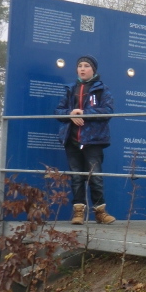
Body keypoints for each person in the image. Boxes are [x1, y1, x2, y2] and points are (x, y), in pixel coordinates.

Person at [55, 55, 116, 225]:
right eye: (80, 65)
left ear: (93, 70)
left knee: (95, 177)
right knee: (76, 178)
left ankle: (100, 213)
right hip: (72, 140)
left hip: (93, 141)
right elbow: (58, 111)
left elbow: (108, 111)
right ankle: (78, 213)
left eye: (86, 66)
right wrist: (71, 114)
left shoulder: (102, 89)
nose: (82, 68)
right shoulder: (70, 89)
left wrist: (84, 113)